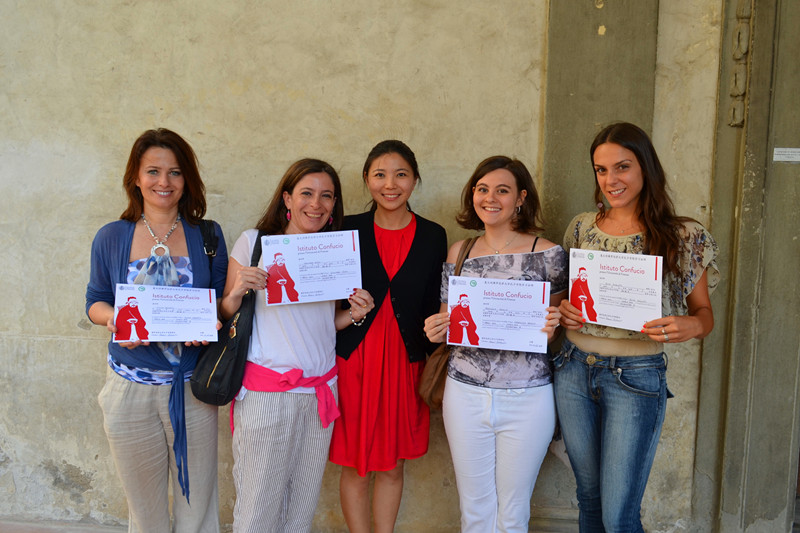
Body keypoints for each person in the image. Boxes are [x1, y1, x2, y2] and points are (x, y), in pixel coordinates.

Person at [555, 122, 719, 532]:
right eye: (601, 169)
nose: (611, 179)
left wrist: (690, 325)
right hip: (573, 369)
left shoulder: (684, 235)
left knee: (619, 516)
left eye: (622, 167)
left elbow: (705, 315)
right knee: (589, 501)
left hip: (635, 377)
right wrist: (564, 309)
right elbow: (566, 298)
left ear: (645, 167)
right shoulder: (581, 227)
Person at [221, 158, 375, 533]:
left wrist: (356, 314)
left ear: (334, 204)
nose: (316, 204)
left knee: (301, 510)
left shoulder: (334, 252)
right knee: (257, 510)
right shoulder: (254, 243)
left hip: (320, 392)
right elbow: (225, 312)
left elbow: (324, 324)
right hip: (266, 394)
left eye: (327, 196)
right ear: (287, 198)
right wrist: (240, 288)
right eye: (306, 193)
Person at [86, 128, 228, 533]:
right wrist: (115, 319)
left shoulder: (208, 235)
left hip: (192, 390)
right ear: (136, 176)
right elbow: (95, 300)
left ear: (187, 179)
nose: (164, 181)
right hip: (129, 391)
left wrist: (212, 321)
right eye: (153, 171)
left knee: (197, 511)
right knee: (146, 514)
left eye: (175, 172)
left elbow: (219, 303)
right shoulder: (112, 236)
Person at [423, 155, 566, 533]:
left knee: (514, 512)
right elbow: (448, 321)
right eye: (482, 189)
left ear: (520, 198)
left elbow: (555, 330)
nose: (490, 198)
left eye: (502, 190)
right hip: (464, 393)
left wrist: (552, 326)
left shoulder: (549, 254)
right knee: (474, 508)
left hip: (528, 396)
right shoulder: (460, 252)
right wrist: (437, 328)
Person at [331, 140, 447, 533]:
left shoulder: (433, 235)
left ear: (415, 179)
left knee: (394, 465)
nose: (390, 184)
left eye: (401, 174)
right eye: (380, 174)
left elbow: (433, 303)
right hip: (354, 361)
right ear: (366, 179)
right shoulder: (346, 228)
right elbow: (324, 296)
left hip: (405, 363)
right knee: (356, 466)